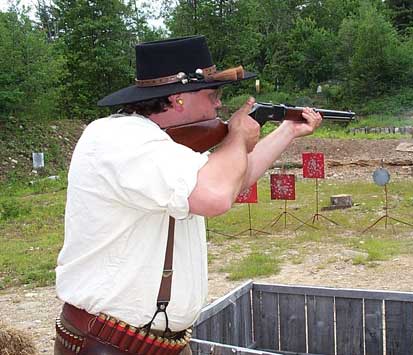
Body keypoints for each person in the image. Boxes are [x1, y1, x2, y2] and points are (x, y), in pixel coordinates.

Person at [54, 35, 322, 354]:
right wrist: (236, 137)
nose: (219, 104)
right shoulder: (119, 139)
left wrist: (287, 130)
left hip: (155, 343)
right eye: (213, 94)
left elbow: (234, 180)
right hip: (109, 345)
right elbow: (216, 195)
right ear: (179, 97)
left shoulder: (160, 145)